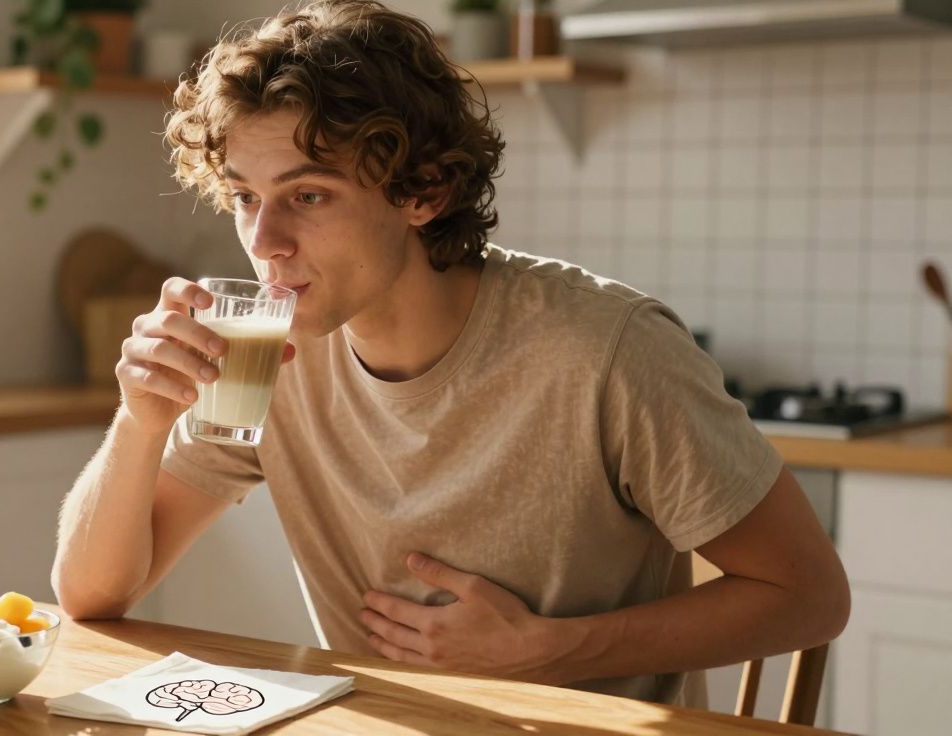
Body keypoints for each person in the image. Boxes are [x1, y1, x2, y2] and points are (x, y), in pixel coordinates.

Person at [52, 0, 849, 706]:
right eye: (245, 199)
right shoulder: (268, 354)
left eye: (308, 196)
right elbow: (89, 595)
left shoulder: (606, 351)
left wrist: (547, 650)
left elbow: (809, 596)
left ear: (424, 192)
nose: (265, 244)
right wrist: (140, 421)